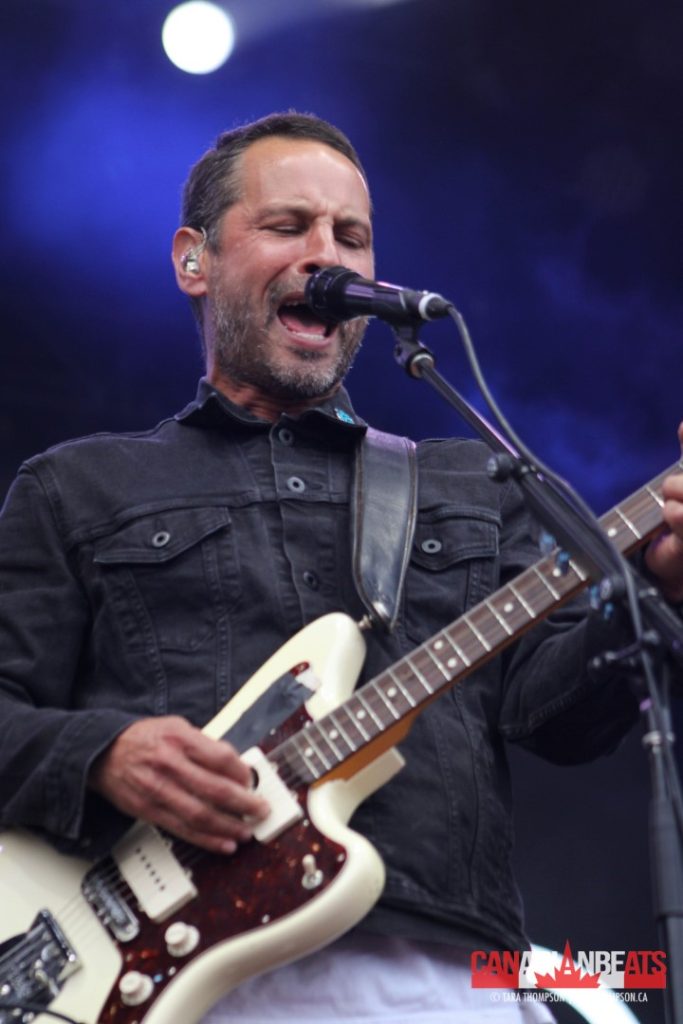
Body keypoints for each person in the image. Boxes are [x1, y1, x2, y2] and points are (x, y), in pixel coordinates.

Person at [1, 112, 682, 1024]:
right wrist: (102, 755)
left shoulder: (471, 480)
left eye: (350, 237)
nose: (326, 256)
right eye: (287, 226)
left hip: (445, 979)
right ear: (194, 260)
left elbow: (552, 720)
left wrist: (653, 585)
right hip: (172, 978)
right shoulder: (77, 487)